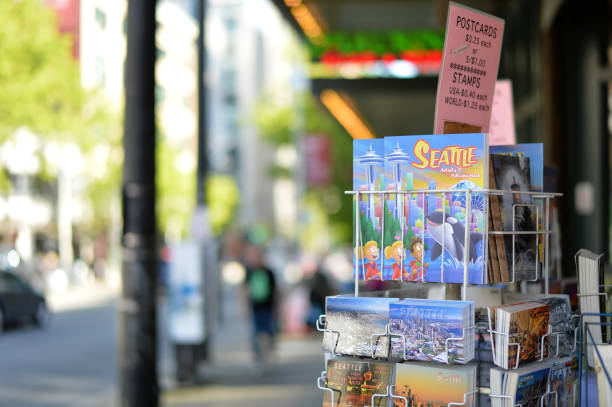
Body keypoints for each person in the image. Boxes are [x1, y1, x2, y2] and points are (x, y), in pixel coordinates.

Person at [243, 243, 278, 366]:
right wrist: (244, 307)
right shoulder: (249, 272)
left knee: (268, 332)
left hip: (268, 307)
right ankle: (258, 357)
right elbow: (244, 291)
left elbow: (275, 291)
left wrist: (277, 308)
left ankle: (267, 354)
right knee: (256, 334)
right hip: (255, 307)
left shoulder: (268, 272)